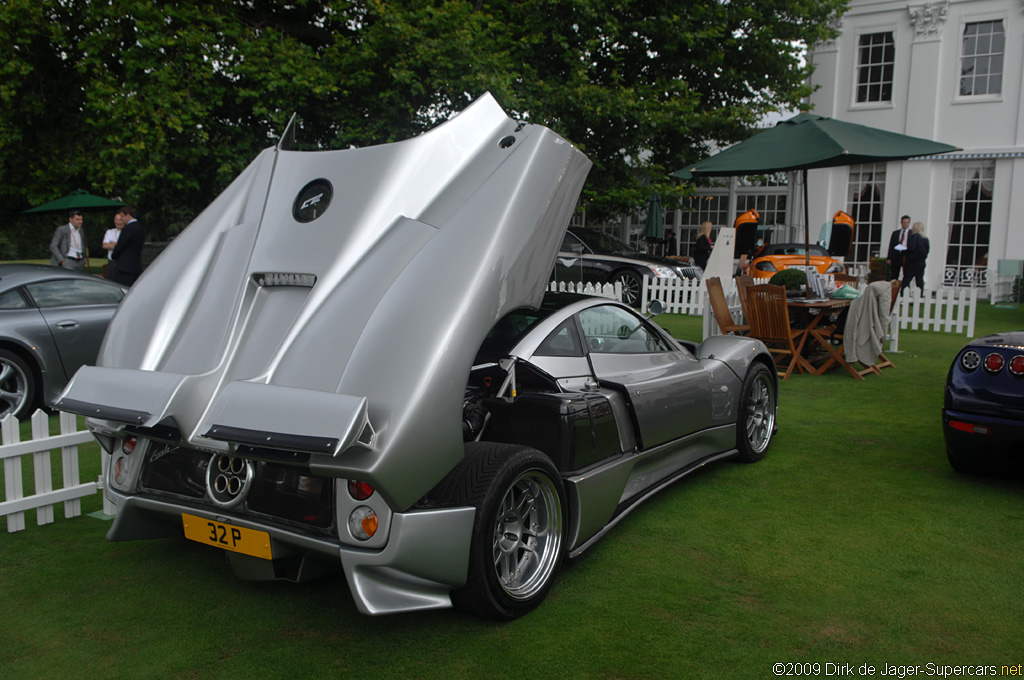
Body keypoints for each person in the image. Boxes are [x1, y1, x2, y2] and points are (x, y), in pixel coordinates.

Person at [111, 206, 145, 286]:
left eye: (122, 216)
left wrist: (114, 256)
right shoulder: (140, 229)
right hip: (136, 266)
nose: (121, 219)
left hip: (125, 267)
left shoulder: (128, 229)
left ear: (128, 215)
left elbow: (120, 246)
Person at [901, 221, 929, 292]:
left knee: (906, 280)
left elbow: (911, 248)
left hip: (913, 262)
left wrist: (903, 251)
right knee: (919, 280)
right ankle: (920, 296)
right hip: (922, 262)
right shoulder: (925, 238)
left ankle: (903, 295)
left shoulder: (914, 237)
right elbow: (927, 250)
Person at [886, 215, 911, 282]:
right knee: (894, 275)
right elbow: (891, 245)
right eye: (904, 222)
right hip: (896, 256)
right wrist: (889, 258)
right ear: (901, 222)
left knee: (906, 275)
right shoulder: (895, 233)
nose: (905, 224)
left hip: (906, 256)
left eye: (907, 222)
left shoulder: (911, 233)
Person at [102, 211, 124, 280]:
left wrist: (112, 243)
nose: (118, 222)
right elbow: (105, 245)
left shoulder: (127, 232)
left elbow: (126, 247)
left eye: (120, 220)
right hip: (112, 263)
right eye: (116, 220)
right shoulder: (110, 232)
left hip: (122, 262)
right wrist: (119, 245)